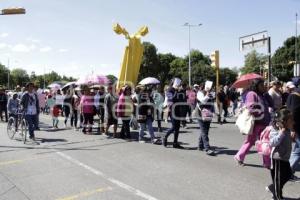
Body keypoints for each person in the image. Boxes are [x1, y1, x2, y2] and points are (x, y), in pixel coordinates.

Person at [234, 79, 272, 166]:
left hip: (265, 122)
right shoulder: (252, 94)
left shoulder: (263, 95)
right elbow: (251, 107)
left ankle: (267, 162)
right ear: (256, 86)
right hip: (256, 123)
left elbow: (272, 104)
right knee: (250, 142)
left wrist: (267, 94)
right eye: (262, 85)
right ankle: (239, 156)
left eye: (264, 85)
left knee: (265, 143)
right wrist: (261, 113)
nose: (264, 87)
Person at [266, 108, 293, 200]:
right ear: (283, 122)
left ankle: (273, 188)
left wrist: (292, 138)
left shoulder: (288, 129)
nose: (292, 122)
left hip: (285, 157)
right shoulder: (275, 130)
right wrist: (280, 134)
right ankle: (277, 197)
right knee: (278, 179)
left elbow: (287, 141)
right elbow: (272, 142)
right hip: (277, 158)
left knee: (288, 174)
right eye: (290, 121)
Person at [163, 79, 185, 149]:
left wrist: (181, 91)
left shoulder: (179, 90)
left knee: (177, 128)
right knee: (174, 127)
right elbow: (171, 99)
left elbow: (182, 99)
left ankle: (175, 143)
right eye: (178, 85)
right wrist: (176, 91)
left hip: (178, 110)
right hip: (172, 110)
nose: (179, 86)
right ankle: (165, 136)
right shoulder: (169, 90)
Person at [286, 81, 300, 181]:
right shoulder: (295, 96)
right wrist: (292, 129)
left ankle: (287, 172)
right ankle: (287, 173)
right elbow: (293, 113)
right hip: (297, 128)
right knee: (297, 151)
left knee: (296, 151)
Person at [196, 86, 215, 156]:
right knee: (204, 131)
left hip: (208, 113)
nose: (210, 88)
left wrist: (213, 111)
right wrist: (207, 95)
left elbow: (212, 102)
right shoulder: (200, 93)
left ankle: (200, 145)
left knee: (205, 130)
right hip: (200, 113)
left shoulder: (211, 93)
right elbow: (203, 101)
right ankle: (207, 148)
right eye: (208, 87)